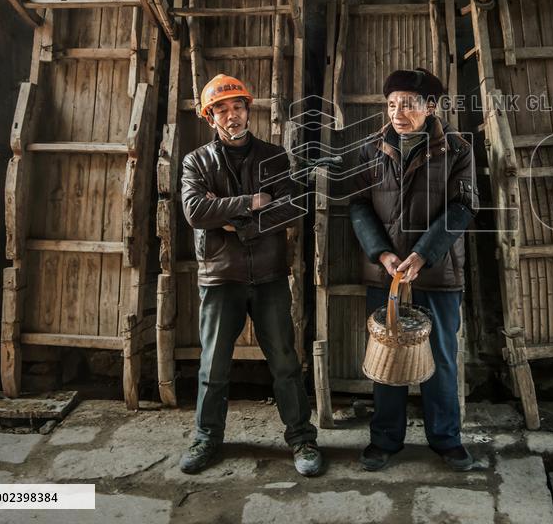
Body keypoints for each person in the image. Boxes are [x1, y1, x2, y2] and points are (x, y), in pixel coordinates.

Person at [178, 74, 320, 476]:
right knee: (213, 366)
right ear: (210, 117)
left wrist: (234, 221)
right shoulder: (196, 161)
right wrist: (253, 202)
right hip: (221, 277)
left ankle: (302, 440)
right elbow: (194, 212)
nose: (232, 114)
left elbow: (292, 207)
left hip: (270, 275)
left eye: (237, 106)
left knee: (285, 363)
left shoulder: (274, 157)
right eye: (221, 108)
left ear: (247, 110)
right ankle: (207, 437)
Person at [349, 67, 478, 472]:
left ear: (431, 106)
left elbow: (463, 208)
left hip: (437, 274)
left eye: (407, 104)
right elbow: (358, 206)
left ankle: (446, 439)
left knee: (440, 358)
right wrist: (383, 255)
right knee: (387, 356)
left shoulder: (457, 149)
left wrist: (423, 254)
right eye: (391, 105)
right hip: (387, 275)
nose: (398, 113)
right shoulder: (371, 149)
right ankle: (385, 439)